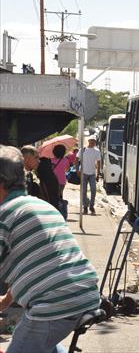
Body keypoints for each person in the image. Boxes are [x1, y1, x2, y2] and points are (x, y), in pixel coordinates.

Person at [0, 145, 100, 353]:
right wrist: (6, 300)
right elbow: (36, 262)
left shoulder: (5, 215)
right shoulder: (40, 206)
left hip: (54, 302)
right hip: (83, 293)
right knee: (44, 342)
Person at [21, 145, 60, 210]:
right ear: (26, 158)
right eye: (36, 158)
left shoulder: (30, 175)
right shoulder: (18, 177)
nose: (39, 161)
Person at [74, 136, 101, 215]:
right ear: (88, 141)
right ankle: (85, 207)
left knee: (93, 190)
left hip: (92, 174)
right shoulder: (83, 150)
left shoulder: (97, 151)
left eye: (94, 141)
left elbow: (99, 163)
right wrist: (77, 170)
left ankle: (91, 205)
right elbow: (76, 159)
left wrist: (98, 174)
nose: (93, 143)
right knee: (83, 192)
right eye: (91, 141)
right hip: (83, 173)